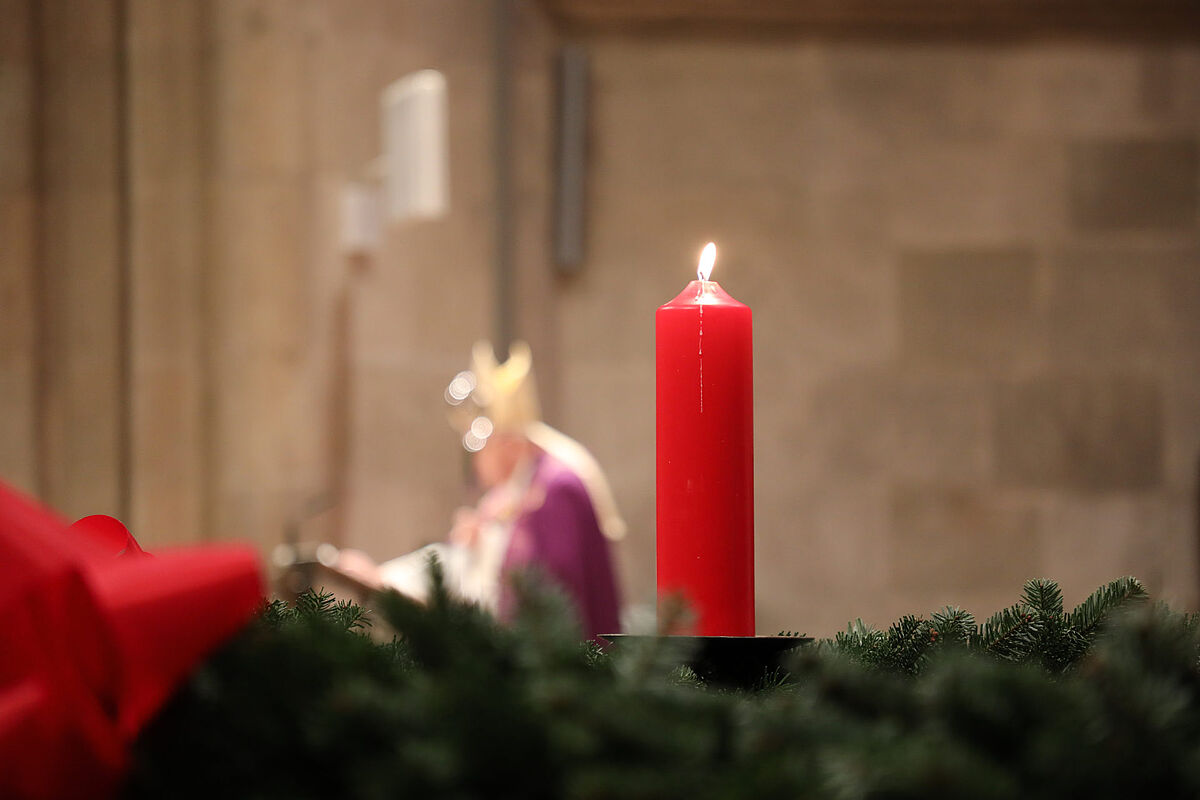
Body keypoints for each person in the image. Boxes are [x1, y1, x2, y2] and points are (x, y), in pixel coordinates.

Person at [337, 341, 623, 640]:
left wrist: (503, 542)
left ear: (509, 445)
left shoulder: (555, 489)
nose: (475, 463)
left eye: (480, 448)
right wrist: (385, 577)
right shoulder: (515, 491)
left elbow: (554, 586)